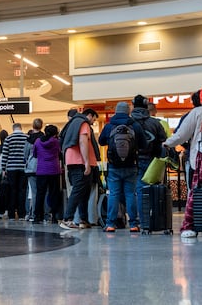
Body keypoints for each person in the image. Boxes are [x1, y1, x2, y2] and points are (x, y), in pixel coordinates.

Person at [163, 84, 202, 238]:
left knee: (196, 192)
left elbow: (181, 135)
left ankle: (190, 226)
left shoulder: (198, 111)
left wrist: (167, 143)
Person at [98, 102, 147, 232]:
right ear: (128, 112)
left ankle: (110, 224)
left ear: (116, 111)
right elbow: (143, 144)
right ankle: (133, 224)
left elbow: (101, 141)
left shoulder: (109, 126)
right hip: (131, 165)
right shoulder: (135, 125)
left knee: (113, 194)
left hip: (114, 166)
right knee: (131, 194)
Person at [59, 108, 99, 230]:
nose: (93, 122)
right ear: (90, 115)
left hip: (72, 160)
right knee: (78, 190)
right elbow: (83, 141)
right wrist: (86, 162)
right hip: (80, 161)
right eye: (94, 119)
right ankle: (67, 219)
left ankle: (83, 219)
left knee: (83, 192)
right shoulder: (83, 123)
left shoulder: (72, 123)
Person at [131, 94, 167, 216]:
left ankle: (142, 219)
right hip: (153, 161)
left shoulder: (129, 122)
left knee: (137, 190)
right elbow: (163, 140)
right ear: (146, 105)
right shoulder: (155, 123)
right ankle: (155, 218)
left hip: (133, 161)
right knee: (154, 189)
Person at [32, 124, 62, 224]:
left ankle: (37, 217)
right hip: (54, 170)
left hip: (41, 171)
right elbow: (59, 153)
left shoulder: (37, 141)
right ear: (55, 133)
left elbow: (34, 154)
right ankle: (54, 217)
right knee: (54, 194)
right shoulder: (56, 142)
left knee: (40, 194)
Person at [1, 123, 29, 220]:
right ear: (21, 128)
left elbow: (5, 155)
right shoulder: (27, 137)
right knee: (22, 190)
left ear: (13, 129)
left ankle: (11, 214)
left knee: (12, 191)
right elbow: (29, 152)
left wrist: (3, 168)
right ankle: (22, 214)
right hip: (23, 168)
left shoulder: (8, 139)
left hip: (11, 168)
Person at [24, 118, 44, 221]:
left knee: (33, 192)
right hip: (42, 167)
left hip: (31, 167)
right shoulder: (44, 137)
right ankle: (44, 214)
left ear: (33, 126)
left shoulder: (29, 139)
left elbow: (25, 154)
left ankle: (33, 214)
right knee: (43, 191)